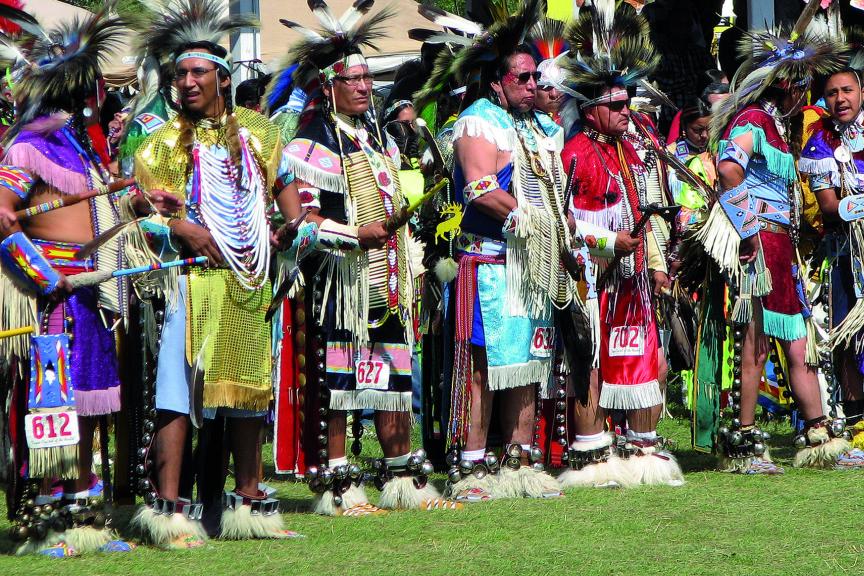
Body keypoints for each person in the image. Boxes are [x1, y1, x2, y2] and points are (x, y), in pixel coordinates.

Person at [130, 0, 304, 547]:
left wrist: (291, 224)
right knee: (177, 390)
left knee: (248, 389)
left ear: (223, 79)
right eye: (179, 73)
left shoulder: (257, 131)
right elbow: (138, 207)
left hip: (248, 279)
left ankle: (249, 502)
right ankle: (170, 509)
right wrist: (179, 227)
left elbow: (285, 188)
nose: (185, 82)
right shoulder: (158, 140)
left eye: (197, 72)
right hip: (190, 280)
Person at [275, 0, 456, 514]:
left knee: (394, 375)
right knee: (342, 381)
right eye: (350, 79)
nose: (361, 86)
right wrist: (356, 235)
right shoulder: (310, 143)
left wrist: (407, 261)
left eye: (365, 78)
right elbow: (302, 225)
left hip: (388, 280)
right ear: (328, 86)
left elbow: (395, 203)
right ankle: (340, 487)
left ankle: (402, 479)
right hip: (341, 285)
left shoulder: (379, 139)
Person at [697, 5, 864, 473]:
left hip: (779, 246)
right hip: (758, 245)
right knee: (753, 343)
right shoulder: (752, 119)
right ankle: (745, 440)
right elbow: (729, 172)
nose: (805, 94)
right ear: (786, 85)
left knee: (797, 343)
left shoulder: (775, 124)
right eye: (801, 85)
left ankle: (819, 434)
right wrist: (749, 231)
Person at [0, 4, 134, 556]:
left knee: (89, 404)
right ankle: (48, 519)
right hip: (49, 294)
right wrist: (42, 274)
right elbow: (4, 217)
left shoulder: (78, 144)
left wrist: (141, 200)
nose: (89, 98)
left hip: (89, 287)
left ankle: (85, 511)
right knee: (51, 403)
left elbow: (100, 214)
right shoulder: (26, 145)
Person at [442, 0, 575, 502]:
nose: (531, 85)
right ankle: (472, 468)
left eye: (534, 77)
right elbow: (478, 188)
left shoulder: (539, 128)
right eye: (521, 78)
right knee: (482, 366)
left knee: (530, 362)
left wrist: (558, 235)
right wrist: (531, 220)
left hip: (531, 262)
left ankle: (520, 462)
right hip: (491, 262)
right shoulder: (478, 122)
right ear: (497, 82)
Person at [555, 0, 683, 488]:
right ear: (590, 109)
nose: (626, 111)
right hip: (591, 278)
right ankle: (592, 457)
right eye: (615, 105)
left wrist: (653, 254)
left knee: (644, 353)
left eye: (628, 102)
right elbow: (563, 223)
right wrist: (611, 242)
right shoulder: (575, 152)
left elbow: (650, 205)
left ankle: (643, 449)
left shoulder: (634, 146)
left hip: (633, 277)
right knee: (591, 360)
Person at [798, 31, 864, 460]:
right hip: (844, 255)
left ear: (863, 92)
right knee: (850, 337)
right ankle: (857, 426)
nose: (840, 98)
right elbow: (830, 208)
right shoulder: (819, 143)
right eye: (832, 92)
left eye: (847, 90)